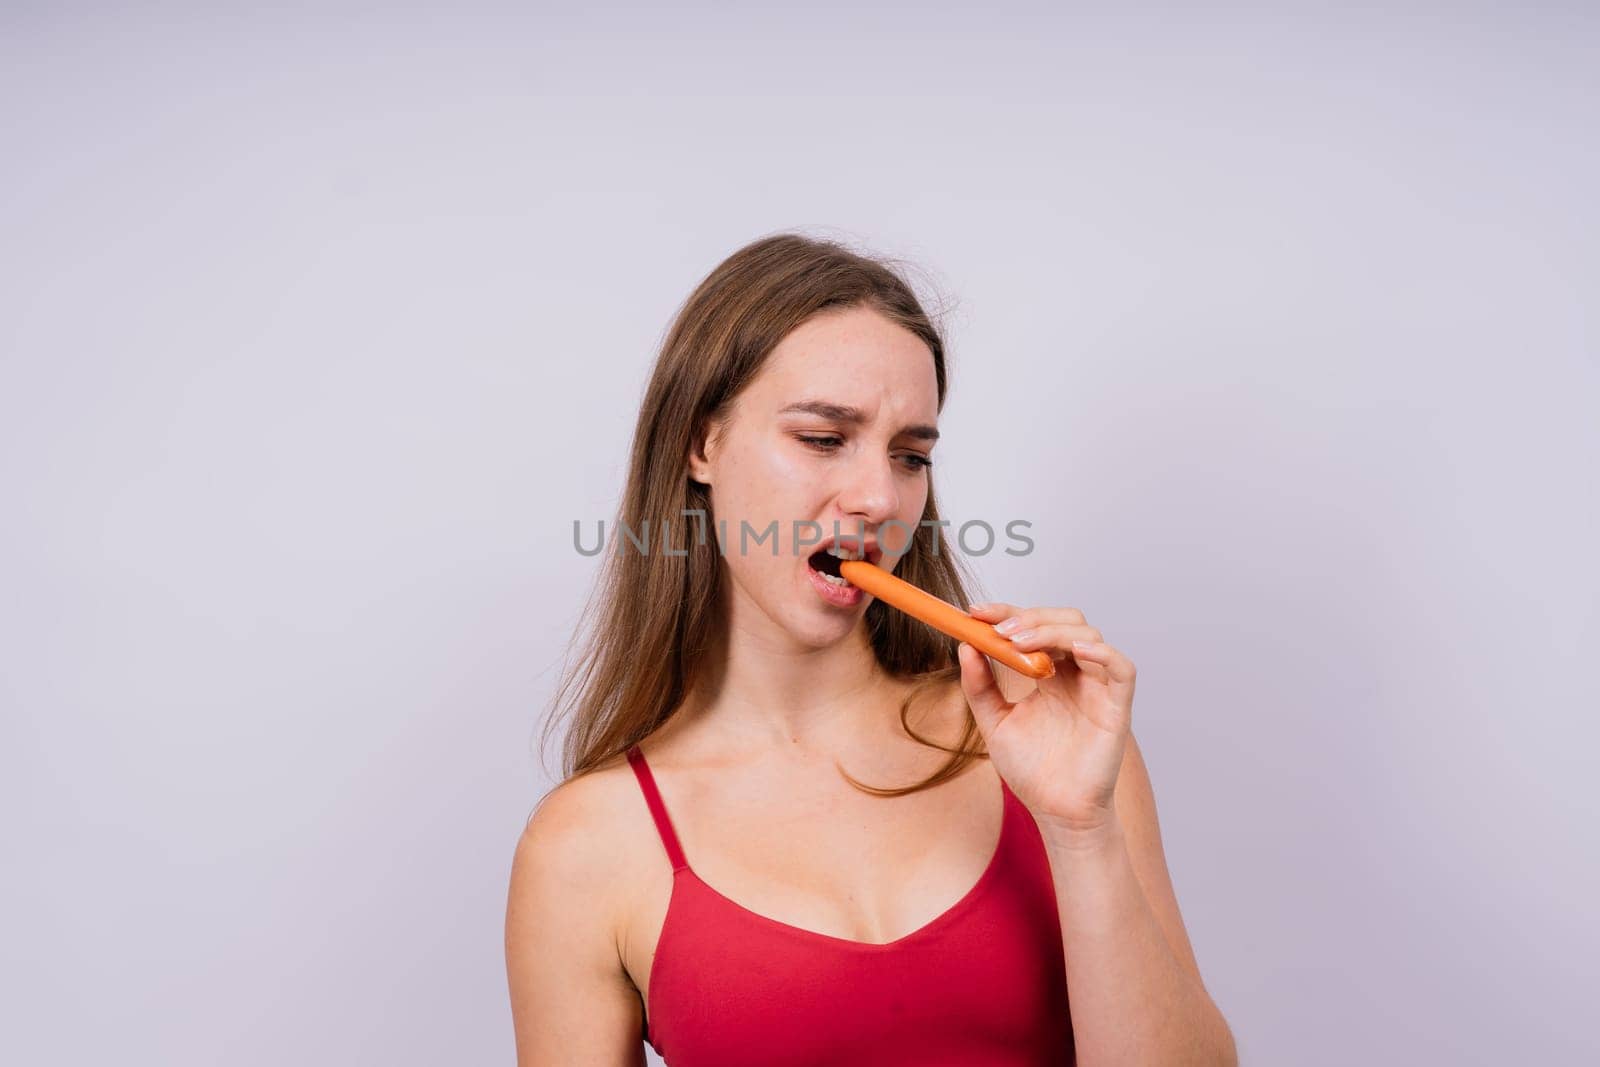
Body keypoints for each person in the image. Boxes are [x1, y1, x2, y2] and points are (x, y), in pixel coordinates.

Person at [505, 233, 1238, 1066]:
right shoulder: (587, 844)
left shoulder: (1045, 736)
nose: (880, 497)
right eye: (823, 438)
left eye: (910, 455)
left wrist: (1082, 830)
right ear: (701, 445)